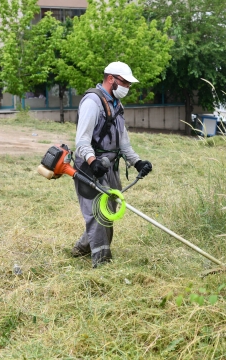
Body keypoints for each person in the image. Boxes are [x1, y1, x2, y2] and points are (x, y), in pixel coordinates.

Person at [71, 61, 152, 267]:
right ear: (111, 79)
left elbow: (123, 141)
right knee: (98, 214)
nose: (128, 88)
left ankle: (82, 247)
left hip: (110, 167)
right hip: (90, 168)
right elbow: (81, 140)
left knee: (107, 212)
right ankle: (102, 262)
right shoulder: (92, 102)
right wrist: (92, 161)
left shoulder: (117, 105)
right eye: (125, 82)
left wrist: (137, 162)